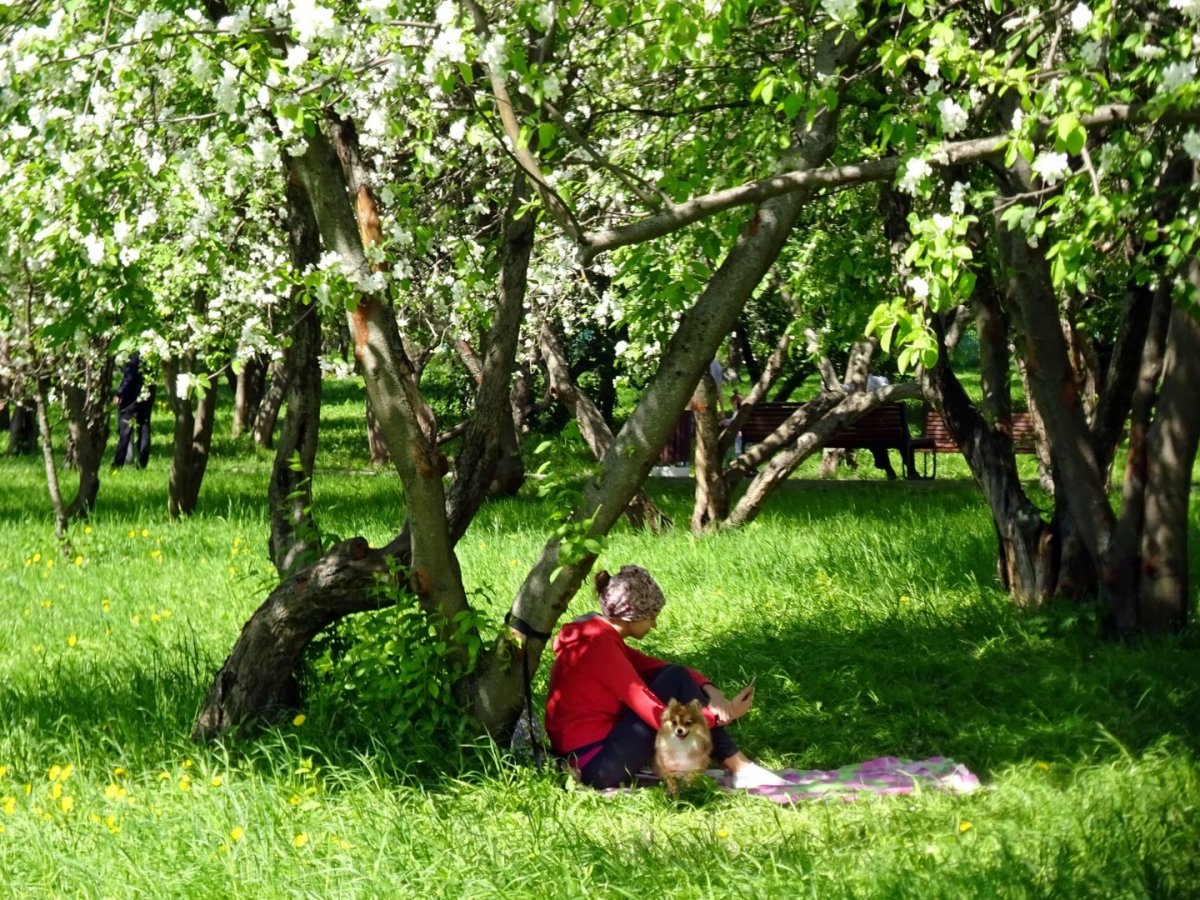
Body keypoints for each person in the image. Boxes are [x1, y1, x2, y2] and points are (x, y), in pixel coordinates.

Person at [545, 565, 787, 790]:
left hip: (591, 756)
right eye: (651, 617)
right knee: (672, 680)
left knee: (673, 675)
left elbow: (662, 669)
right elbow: (653, 713)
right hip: (596, 767)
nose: (655, 625)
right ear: (631, 615)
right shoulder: (600, 646)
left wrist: (712, 692)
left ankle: (734, 764)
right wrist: (722, 715)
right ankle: (739, 766)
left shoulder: (596, 636)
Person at [111, 351, 155, 469]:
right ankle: (142, 462)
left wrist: (120, 393)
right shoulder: (152, 355)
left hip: (131, 398)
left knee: (125, 430)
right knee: (144, 426)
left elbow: (129, 376)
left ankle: (118, 463)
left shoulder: (135, 355)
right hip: (147, 394)